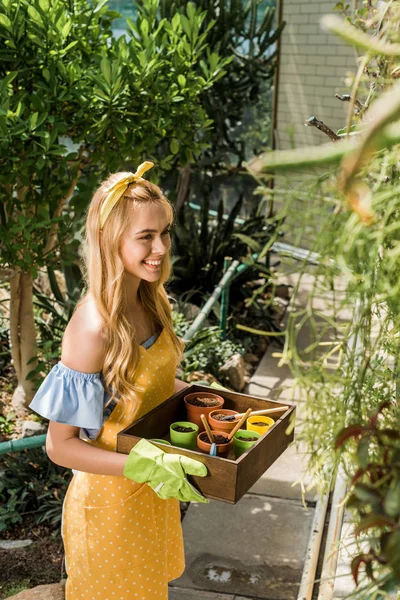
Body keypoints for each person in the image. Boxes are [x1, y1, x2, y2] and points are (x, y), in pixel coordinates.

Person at [29, 162, 208, 600]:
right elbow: (60, 445)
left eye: (164, 232)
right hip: (108, 511)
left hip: (149, 498)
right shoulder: (93, 329)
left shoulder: (150, 298)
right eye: (145, 236)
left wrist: (206, 401)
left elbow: (149, 387)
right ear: (111, 240)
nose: (161, 247)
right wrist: (145, 465)